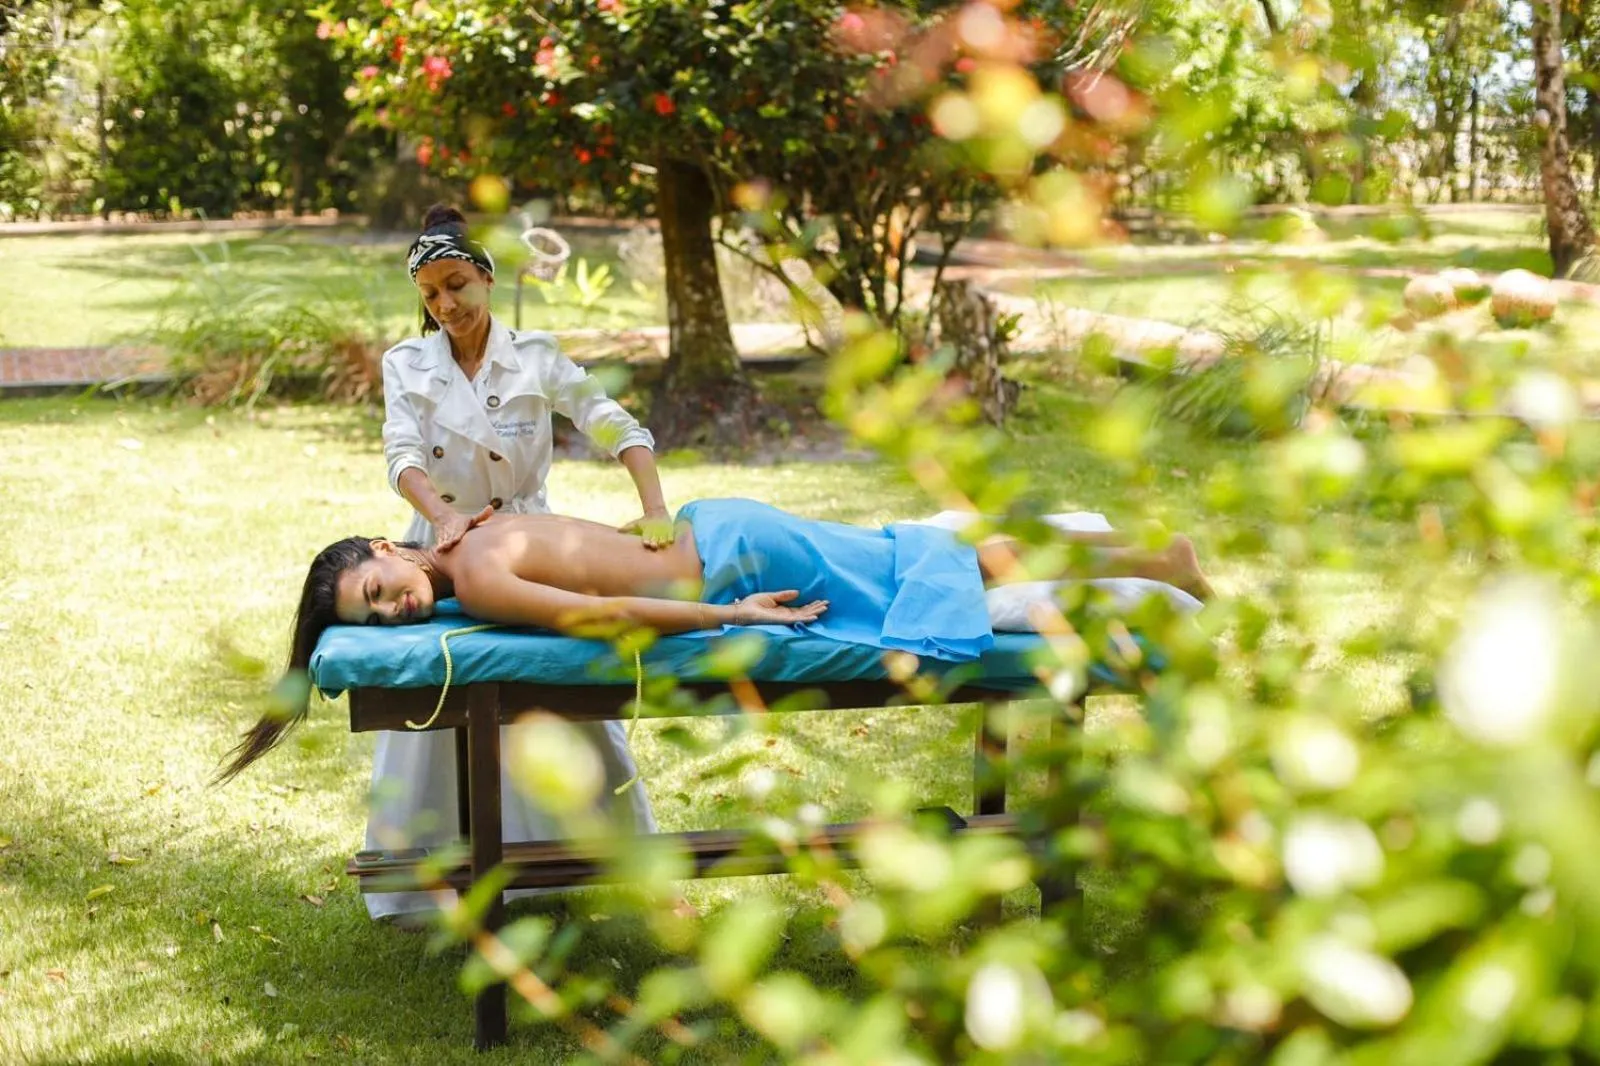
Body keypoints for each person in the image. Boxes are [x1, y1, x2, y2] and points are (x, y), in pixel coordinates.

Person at [216, 498, 1212, 783]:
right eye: (377, 617)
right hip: (719, 534)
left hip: (731, 564)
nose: (394, 612)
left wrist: (738, 617)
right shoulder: (468, 535)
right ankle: (1128, 550)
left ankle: (1150, 562)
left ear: (389, 547)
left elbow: (611, 616)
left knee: (928, 578)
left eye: (378, 590)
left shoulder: (473, 574)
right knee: (914, 559)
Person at [363, 203, 670, 920]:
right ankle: (431, 878)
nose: (445, 306)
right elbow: (401, 454)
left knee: (562, 682)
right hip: (442, 543)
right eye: (430, 294)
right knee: (439, 696)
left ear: (488, 278)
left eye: (457, 286)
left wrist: (654, 505)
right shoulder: (406, 363)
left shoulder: (535, 356)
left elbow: (613, 423)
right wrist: (444, 518)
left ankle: (598, 863)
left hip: (532, 540)